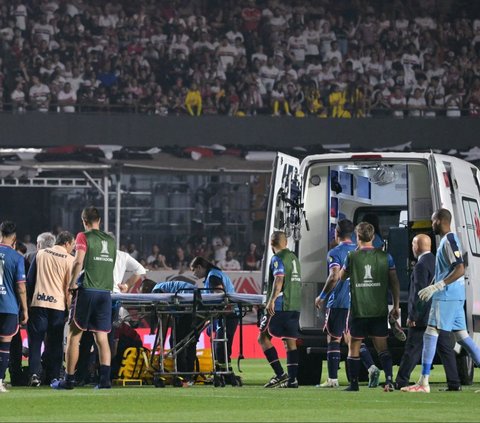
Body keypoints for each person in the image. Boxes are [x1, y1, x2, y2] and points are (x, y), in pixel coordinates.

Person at [402, 209, 480, 393]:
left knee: (431, 332)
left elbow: (460, 268)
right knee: (462, 337)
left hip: (447, 295)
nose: (431, 224)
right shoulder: (448, 240)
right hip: (455, 294)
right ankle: (424, 382)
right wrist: (432, 285)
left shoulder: (449, 241)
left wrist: (438, 286)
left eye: (432, 220)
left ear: (438, 220)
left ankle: (424, 382)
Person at [51, 206, 116, 390]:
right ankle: (104, 381)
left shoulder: (83, 236)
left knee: (74, 336)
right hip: (105, 292)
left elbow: (79, 261)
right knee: (102, 337)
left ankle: (69, 380)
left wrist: (72, 283)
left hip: (88, 290)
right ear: (100, 221)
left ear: (84, 221)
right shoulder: (111, 240)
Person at [315, 219, 380, 388]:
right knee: (353, 338)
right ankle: (371, 367)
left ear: (336, 233)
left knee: (334, 338)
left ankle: (332, 379)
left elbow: (334, 275)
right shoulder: (360, 250)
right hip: (358, 302)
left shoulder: (335, 252)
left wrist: (322, 296)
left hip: (339, 302)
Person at [75, 234, 147, 385]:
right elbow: (141, 270)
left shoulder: (93, 254)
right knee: (107, 339)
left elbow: (81, 271)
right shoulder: (122, 255)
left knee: (87, 338)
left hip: (94, 295)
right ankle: (105, 377)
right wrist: (127, 285)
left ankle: (82, 376)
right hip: (112, 299)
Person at [339, 222, 400, 391]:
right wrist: (395, 305)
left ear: (357, 237)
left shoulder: (351, 256)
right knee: (382, 348)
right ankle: (389, 380)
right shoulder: (385, 257)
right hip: (378, 309)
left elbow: (341, 277)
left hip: (359, 310)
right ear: (373, 237)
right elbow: (394, 282)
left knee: (354, 347)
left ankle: (354, 384)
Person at [395, 233, 460, 391]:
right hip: (439, 313)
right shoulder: (437, 261)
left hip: (424, 316)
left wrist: (413, 316)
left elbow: (420, 293)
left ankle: (401, 381)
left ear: (416, 246)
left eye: (413, 244)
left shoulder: (421, 265)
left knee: (412, 348)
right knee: (445, 348)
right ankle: (454, 383)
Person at [27, 231, 75, 387]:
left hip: (39, 303)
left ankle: (34, 374)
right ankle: (53, 377)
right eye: (73, 245)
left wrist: (27, 303)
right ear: (67, 243)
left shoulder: (41, 254)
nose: (73, 248)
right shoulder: (70, 259)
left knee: (35, 342)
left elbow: (30, 280)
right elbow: (69, 288)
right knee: (55, 344)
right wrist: (69, 310)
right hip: (57, 306)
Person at [258, 231, 301, 389]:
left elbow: (279, 278)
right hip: (295, 305)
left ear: (271, 244)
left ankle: (280, 374)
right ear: (286, 243)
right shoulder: (294, 258)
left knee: (262, 338)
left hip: (281, 305)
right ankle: (292, 380)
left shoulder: (277, 258)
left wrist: (271, 300)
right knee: (290, 342)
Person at [190, 256, 238, 384]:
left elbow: (219, 293)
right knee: (222, 344)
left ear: (199, 267)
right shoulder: (214, 274)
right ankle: (224, 372)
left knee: (220, 345)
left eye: (194, 270)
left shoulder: (213, 276)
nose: (194, 273)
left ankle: (224, 373)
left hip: (227, 313)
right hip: (228, 313)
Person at [151, 279, 198, 382]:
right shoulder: (166, 287)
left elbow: (163, 317)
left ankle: (182, 374)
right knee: (191, 342)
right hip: (196, 302)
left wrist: (160, 341)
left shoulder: (156, 291)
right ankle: (190, 373)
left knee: (176, 342)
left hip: (187, 304)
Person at [0, 221, 28, 393]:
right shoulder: (17, 258)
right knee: (4, 346)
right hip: (9, 307)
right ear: (14, 239)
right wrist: (25, 309)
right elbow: (21, 287)